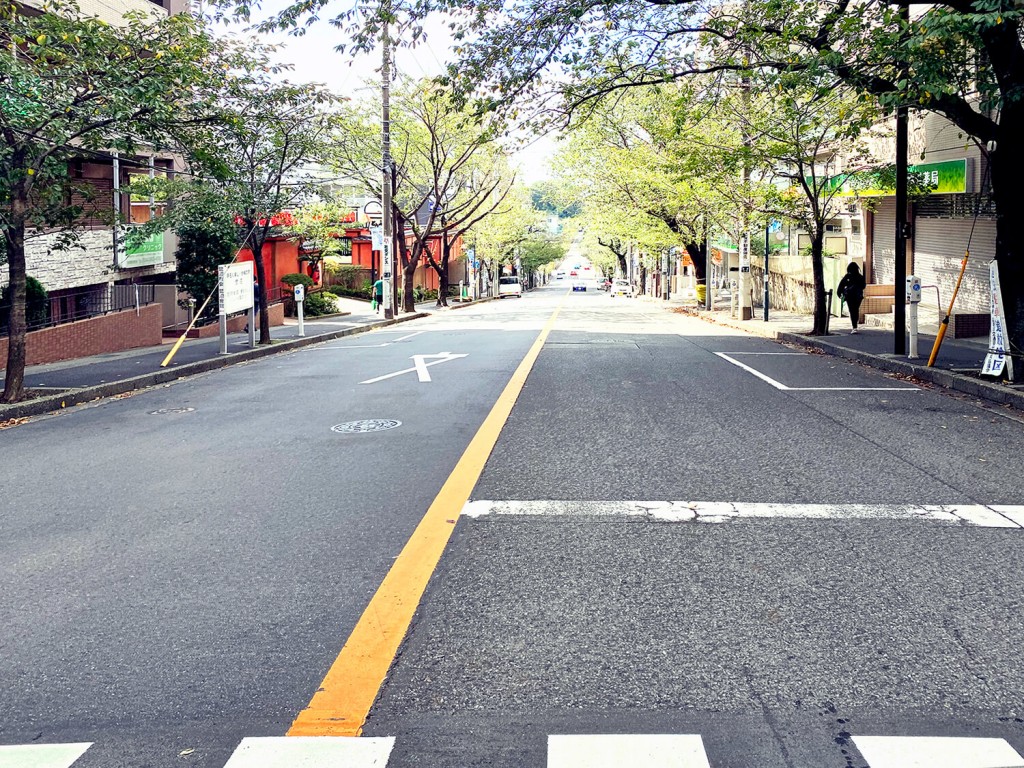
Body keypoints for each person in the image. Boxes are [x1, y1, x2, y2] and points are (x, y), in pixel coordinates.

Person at [837, 262, 866, 334]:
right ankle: (855, 326)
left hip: (849, 296)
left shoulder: (847, 276)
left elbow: (841, 285)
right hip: (858, 296)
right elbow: (863, 286)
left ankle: (854, 327)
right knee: (855, 310)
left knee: (852, 310)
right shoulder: (860, 277)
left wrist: (839, 293)